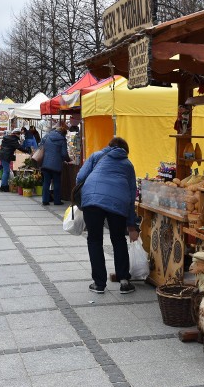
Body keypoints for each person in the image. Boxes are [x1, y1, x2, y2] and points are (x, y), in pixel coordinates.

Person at [76, 137, 139, 294]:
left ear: (108, 146)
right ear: (125, 151)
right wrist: (131, 225)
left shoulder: (97, 156)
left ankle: (99, 284)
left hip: (92, 200)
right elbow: (132, 195)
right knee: (118, 239)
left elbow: (80, 177)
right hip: (118, 202)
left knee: (94, 240)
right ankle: (124, 281)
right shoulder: (128, 164)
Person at [40, 126, 70, 206]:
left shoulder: (47, 136)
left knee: (46, 182)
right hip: (56, 165)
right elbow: (64, 154)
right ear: (63, 133)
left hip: (45, 163)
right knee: (57, 183)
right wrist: (68, 160)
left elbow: (41, 146)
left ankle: (45, 201)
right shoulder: (62, 140)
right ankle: (57, 201)